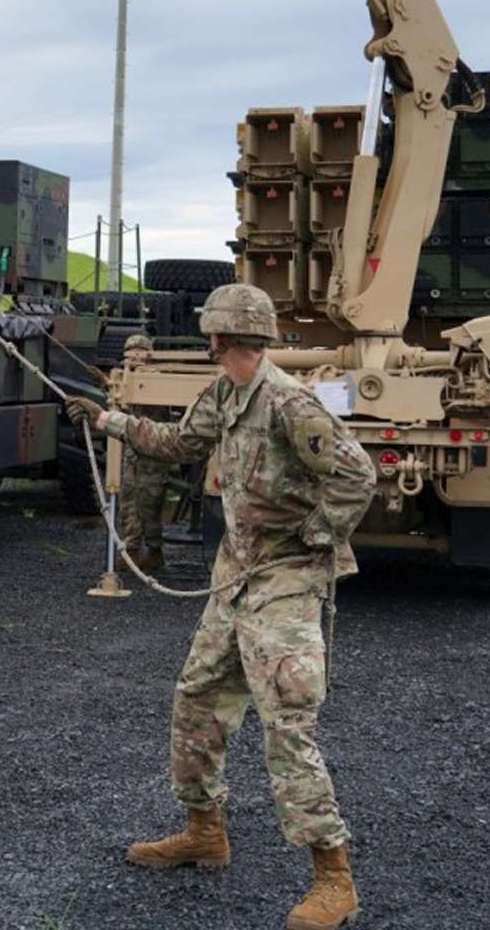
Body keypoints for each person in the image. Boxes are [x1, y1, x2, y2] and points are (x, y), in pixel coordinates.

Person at [66, 283, 376, 930]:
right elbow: (180, 442)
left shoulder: (289, 402)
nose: (208, 341)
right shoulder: (226, 393)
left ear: (226, 337)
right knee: (198, 698)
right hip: (233, 580)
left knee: (287, 724)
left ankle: (334, 879)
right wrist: (108, 420)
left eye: (212, 332)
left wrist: (316, 535)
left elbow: (357, 475)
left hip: (284, 583)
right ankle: (204, 832)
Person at [115, 333, 175, 573]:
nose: (135, 355)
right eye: (131, 351)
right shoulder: (122, 377)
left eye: (141, 351)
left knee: (150, 502)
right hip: (133, 451)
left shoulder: (156, 377)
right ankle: (131, 549)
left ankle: (154, 550)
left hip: (154, 452)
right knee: (128, 500)